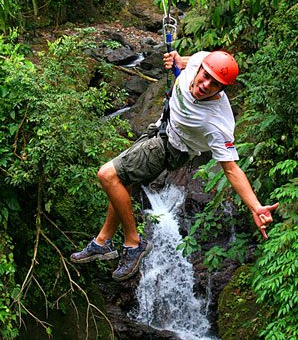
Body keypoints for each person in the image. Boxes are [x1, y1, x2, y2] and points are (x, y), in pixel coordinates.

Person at [70, 50, 279, 281]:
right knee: (123, 178)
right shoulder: (201, 60)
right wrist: (180, 61)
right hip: (161, 127)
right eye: (205, 76)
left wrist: (255, 207)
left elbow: (231, 169)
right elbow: (194, 61)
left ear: (221, 90)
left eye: (214, 84)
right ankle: (103, 241)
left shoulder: (217, 124)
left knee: (108, 175)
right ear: (201, 68)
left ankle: (133, 243)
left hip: (171, 147)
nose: (205, 84)